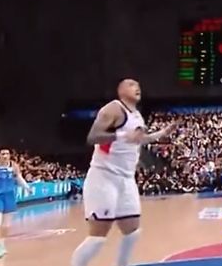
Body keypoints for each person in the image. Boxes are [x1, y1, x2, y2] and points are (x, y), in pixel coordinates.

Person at [70, 79, 180, 266]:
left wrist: (161, 134)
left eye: (138, 85)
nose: (137, 87)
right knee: (98, 237)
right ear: (120, 90)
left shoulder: (136, 115)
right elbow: (93, 137)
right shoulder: (113, 109)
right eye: (131, 85)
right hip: (104, 177)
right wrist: (122, 135)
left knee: (132, 231)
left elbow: (137, 140)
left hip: (127, 179)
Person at [0, 149, 32, 259]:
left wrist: (27, 187)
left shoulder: (14, 166)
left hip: (9, 196)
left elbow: (19, 178)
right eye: (3, 154)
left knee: (6, 225)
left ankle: (2, 244)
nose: (5, 156)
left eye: (7, 153)